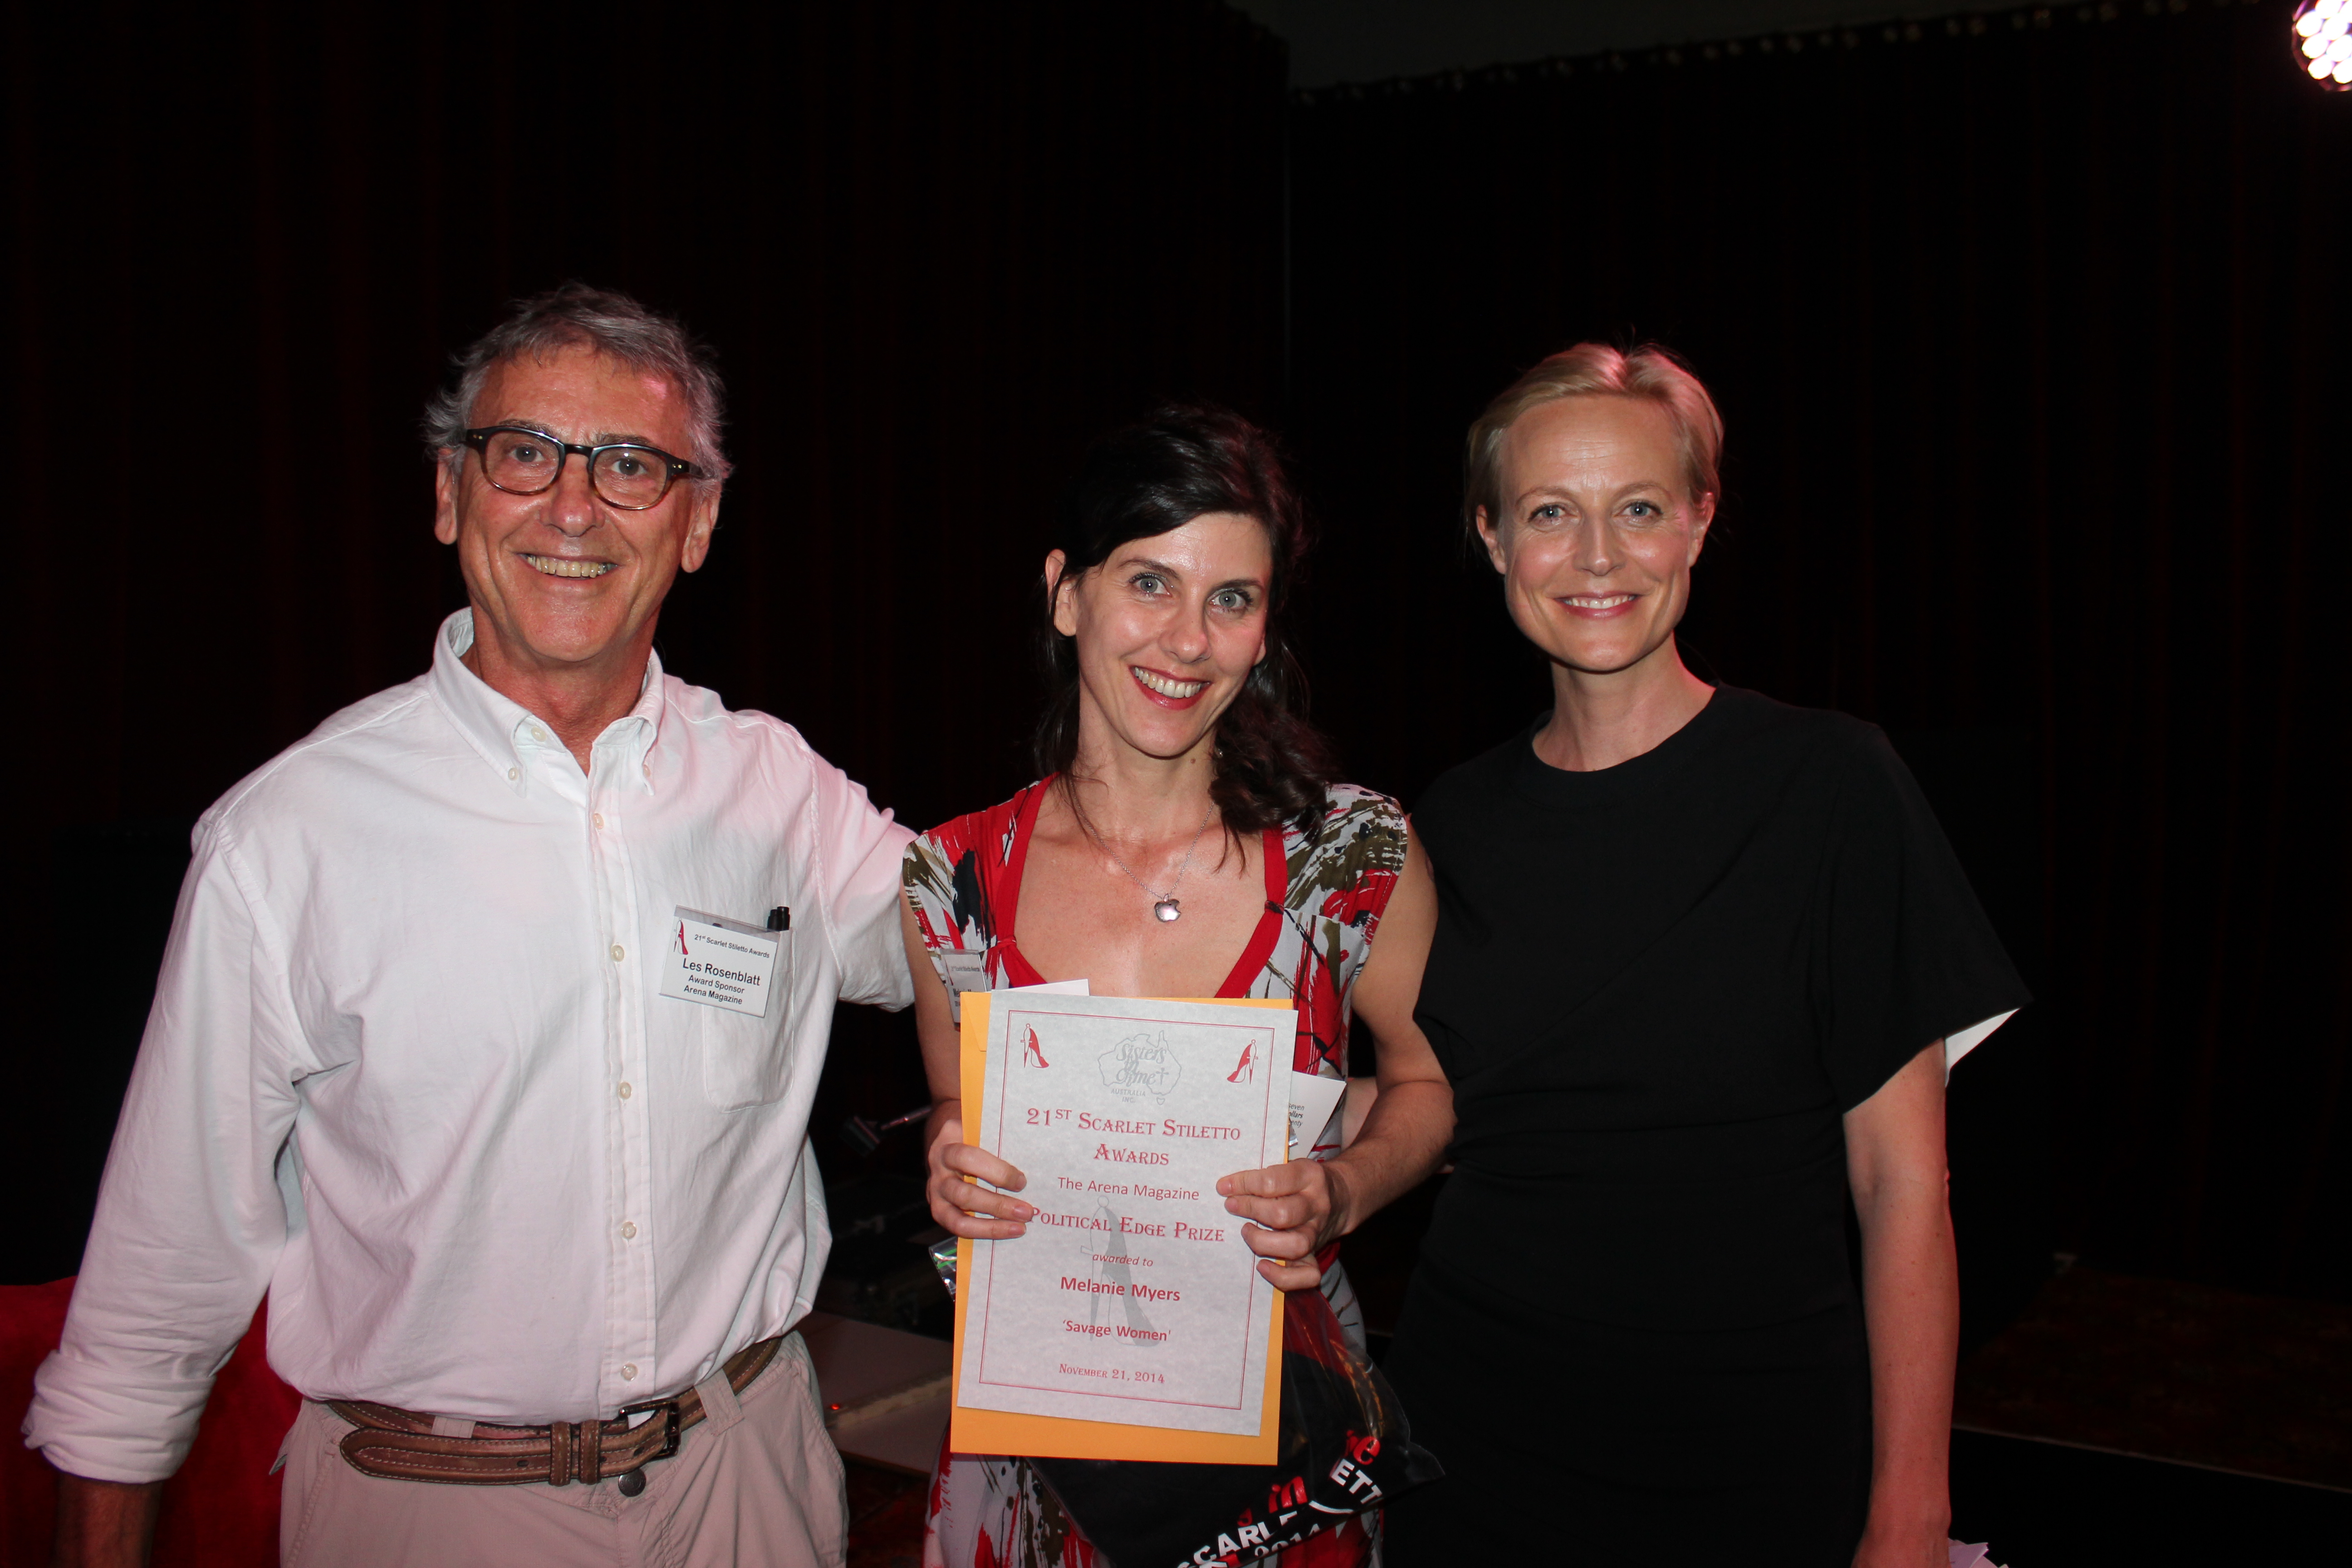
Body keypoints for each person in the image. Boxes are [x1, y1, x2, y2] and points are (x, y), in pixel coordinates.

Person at [28, 284, 914, 1567]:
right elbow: (156, 1286)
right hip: (430, 1511)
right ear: (451, 495)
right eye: (524, 454)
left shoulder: (780, 790)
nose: (571, 507)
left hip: (746, 1487)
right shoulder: (287, 840)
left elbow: (996, 948)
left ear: (699, 520)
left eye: (630, 466)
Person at [1378, 345, 2030, 1568]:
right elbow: (1440, 1107)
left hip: (1756, 1455)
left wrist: (1910, 1513)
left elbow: (1904, 1188)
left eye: (1637, 510)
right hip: (1476, 1447)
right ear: (1491, 540)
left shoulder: (1832, 787)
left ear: (1698, 523)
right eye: (1550, 515)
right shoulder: (1448, 822)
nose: (1598, 556)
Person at [898, 405, 1452, 1566]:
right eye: (1150, 583)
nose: (1189, 641)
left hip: (1278, 1448)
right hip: (1040, 1440)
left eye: (1232, 600)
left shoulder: (1351, 860)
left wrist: (1344, 1194)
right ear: (1067, 594)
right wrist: (951, 1163)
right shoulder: (951, 879)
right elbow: (960, 1112)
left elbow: (1426, 1081)